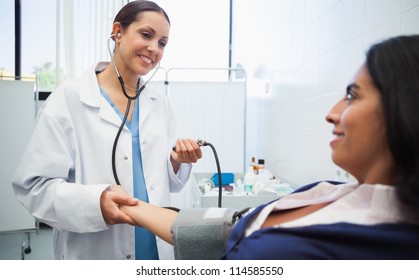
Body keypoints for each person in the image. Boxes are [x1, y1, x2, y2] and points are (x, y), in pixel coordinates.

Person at [119, 34, 419, 259]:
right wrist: (123, 204)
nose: (331, 113)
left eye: (352, 96)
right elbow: (226, 227)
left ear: (405, 109)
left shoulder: (391, 243)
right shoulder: (326, 189)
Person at [12, 0, 202, 260]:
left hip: (157, 251)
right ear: (118, 32)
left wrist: (176, 161)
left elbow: (162, 181)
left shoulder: (160, 103)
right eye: (146, 35)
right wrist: (95, 203)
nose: (154, 48)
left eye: (162, 43)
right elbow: (34, 187)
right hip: (96, 252)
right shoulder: (70, 98)